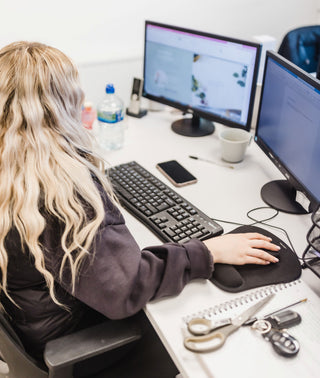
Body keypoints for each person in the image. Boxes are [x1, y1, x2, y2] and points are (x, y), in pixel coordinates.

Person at [0, 41, 280, 376]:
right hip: (79, 341)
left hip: (35, 325)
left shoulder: (15, 172)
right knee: (213, 319)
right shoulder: (60, 192)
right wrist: (206, 251)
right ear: (62, 107)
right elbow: (124, 289)